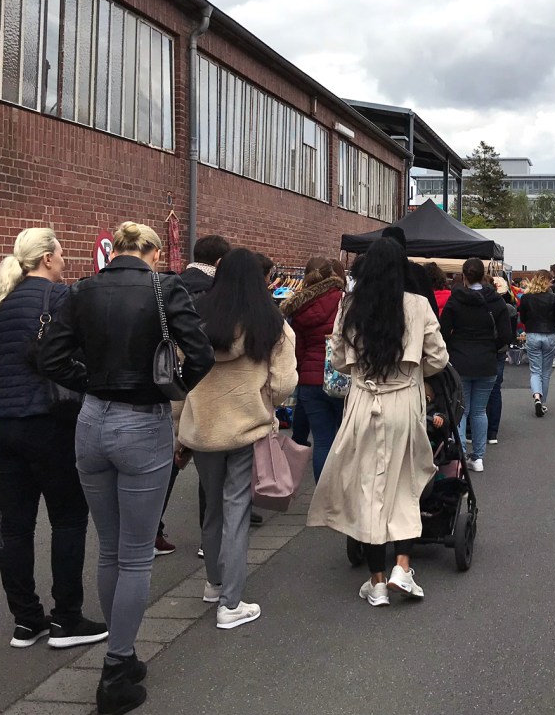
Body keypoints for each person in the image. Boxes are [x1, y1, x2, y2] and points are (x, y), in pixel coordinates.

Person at [41, 221, 214, 715]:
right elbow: (201, 353)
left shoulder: (81, 290)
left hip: (92, 418)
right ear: (153, 252)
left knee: (111, 548)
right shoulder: (166, 288)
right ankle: (117, 667)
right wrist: (171, 386)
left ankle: (123, 652)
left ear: (114, 250)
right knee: (136, 556)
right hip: (142, 419)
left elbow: (49, 356)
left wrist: (91, 380)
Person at [0, 228, 106, 650]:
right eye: (61, 254)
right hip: (50, 420)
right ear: (48, 258)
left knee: (16, 526)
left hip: (3, 424)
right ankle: (66, 617)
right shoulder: (60, 297)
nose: (64, 261)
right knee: (68, 519)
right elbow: (79, 352)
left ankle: (26, 620)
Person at [307, 237, 449, 605]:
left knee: (369, 490)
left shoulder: (350, 305)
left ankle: (377, 581)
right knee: (405, 484)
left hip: (363, 401)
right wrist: (413, 370)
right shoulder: (417, 304)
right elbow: (438, 357)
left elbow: (338, 359)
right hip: (404, 402)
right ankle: (403, 565)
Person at [180, 249, 297, 630]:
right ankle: (231, 603)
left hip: (203, 428)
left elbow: (181, 376)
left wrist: (180, 424)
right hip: (247, 427)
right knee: (237, 511)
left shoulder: (196, 319)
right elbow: (284, 383)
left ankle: (214, 584)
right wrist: (266, 401)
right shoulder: (271, 323)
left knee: (213, 508)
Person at [162, 234, 232, 560]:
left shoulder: (168, 285)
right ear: (219, 262)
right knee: (210, 467)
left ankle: (151, 530)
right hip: (205, 384)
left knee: (169, 461)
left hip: (169, 382)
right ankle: (209, 538)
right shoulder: (217, 293)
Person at [441, 258, 513, 470]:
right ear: (483, 275)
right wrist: (491, 346)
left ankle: (461, 454)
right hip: (486, 360)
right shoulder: (496, 301)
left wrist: (453, 346)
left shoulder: (455, 300)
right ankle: (478, 457)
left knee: (461, 409)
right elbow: (506, 334)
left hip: (460, 359)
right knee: (480, 411)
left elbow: (443, 331)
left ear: (464, 275)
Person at [280, 256, 346, 481]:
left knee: (322, 441)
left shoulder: (298, 306)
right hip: (340, 378)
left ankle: (321, 494)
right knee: (345, 440)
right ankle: (341, 491)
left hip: (310, 381)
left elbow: (297, 349)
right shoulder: (343, 300)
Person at [518, 270, 555, 417]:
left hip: (532, 334)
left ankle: (537, 397)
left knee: (535, 370)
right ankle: (542, 403)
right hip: (550, 334)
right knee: (546, 371)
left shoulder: (526, 297)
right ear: (548, 281)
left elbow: (522, 318)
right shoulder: (554, 298)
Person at [485, 275, 519, 444]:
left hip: (480, 350)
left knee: (474, 391)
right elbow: (509, 334)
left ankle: (471, 431)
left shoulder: (475, 303)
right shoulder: (506, 307)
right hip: (498, 350)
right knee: (495, 389)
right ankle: (492, 432)